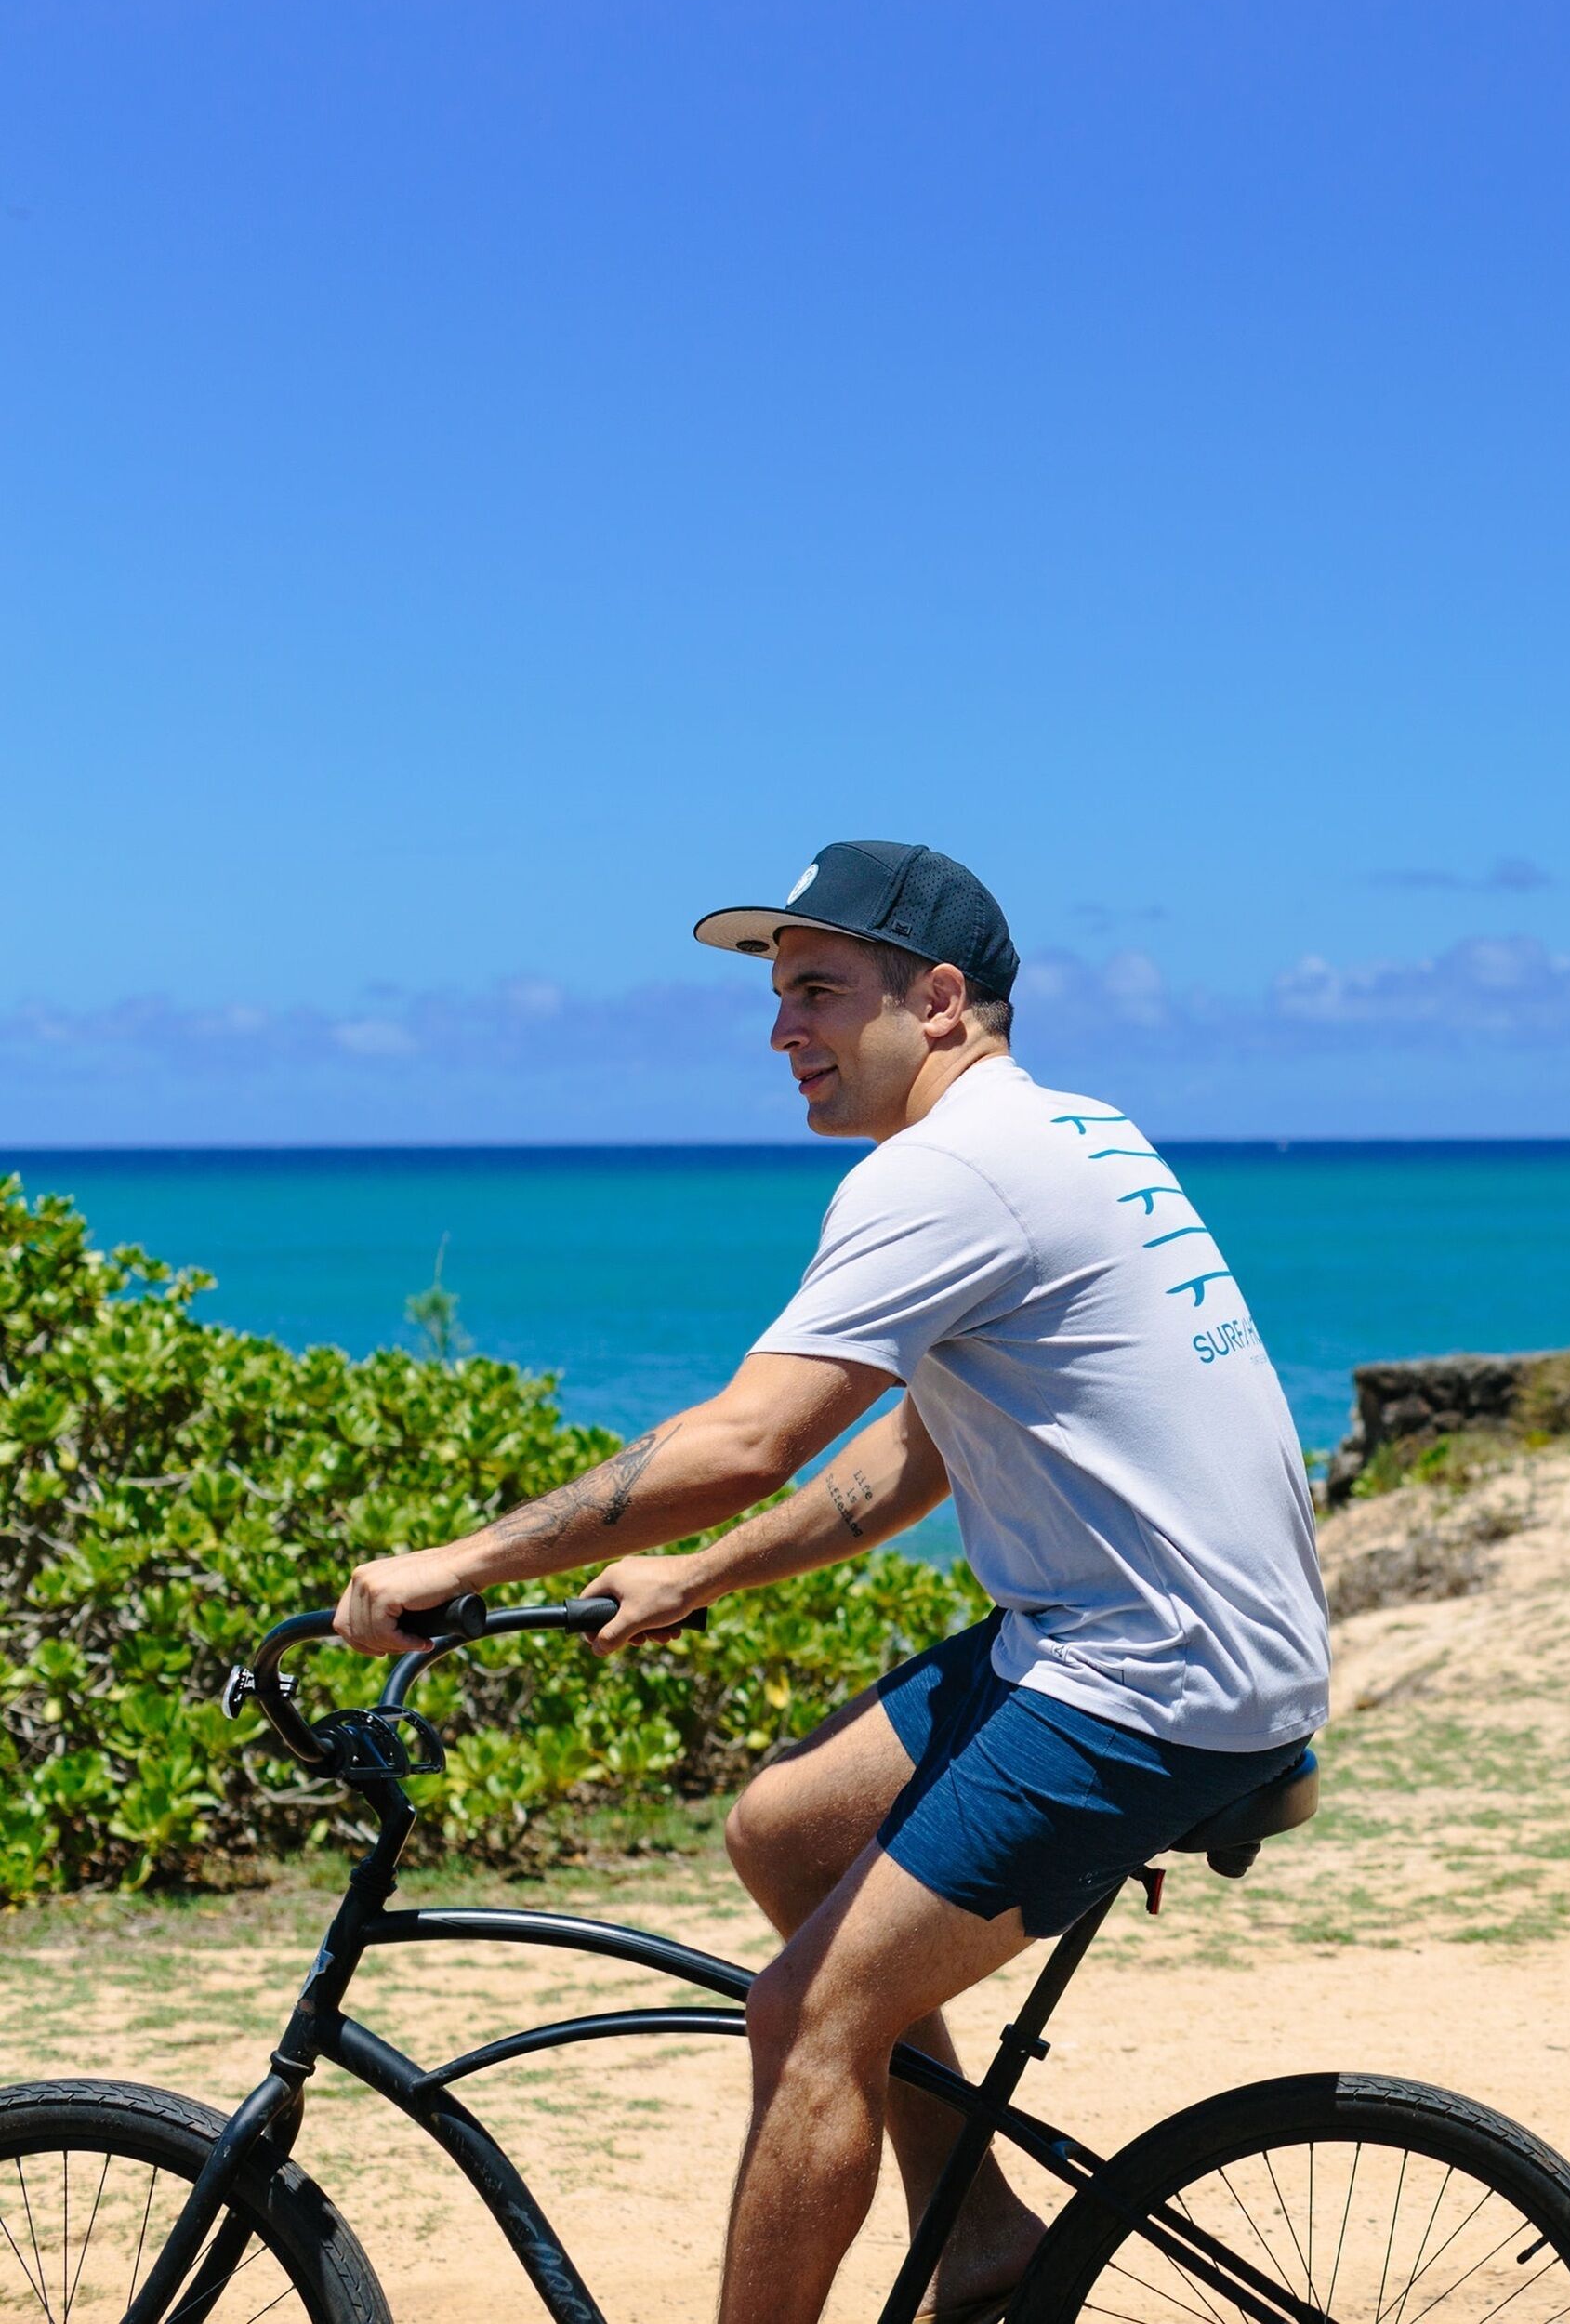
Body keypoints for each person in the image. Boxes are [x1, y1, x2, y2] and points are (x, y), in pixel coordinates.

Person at [338, 840, 1328, 2324]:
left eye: (817, 992)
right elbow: (922, 1457)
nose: (781, 1031)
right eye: (778, 996)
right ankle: (984, 2243)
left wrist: (460, 1560)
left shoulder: (946, 1172)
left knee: (806, 2013)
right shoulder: (1057, 1130)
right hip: (1124, 1639)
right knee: (787, 1830)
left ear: (938, 1001)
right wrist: (700, 1578)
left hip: (1153, 1679)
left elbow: (745, 1438)